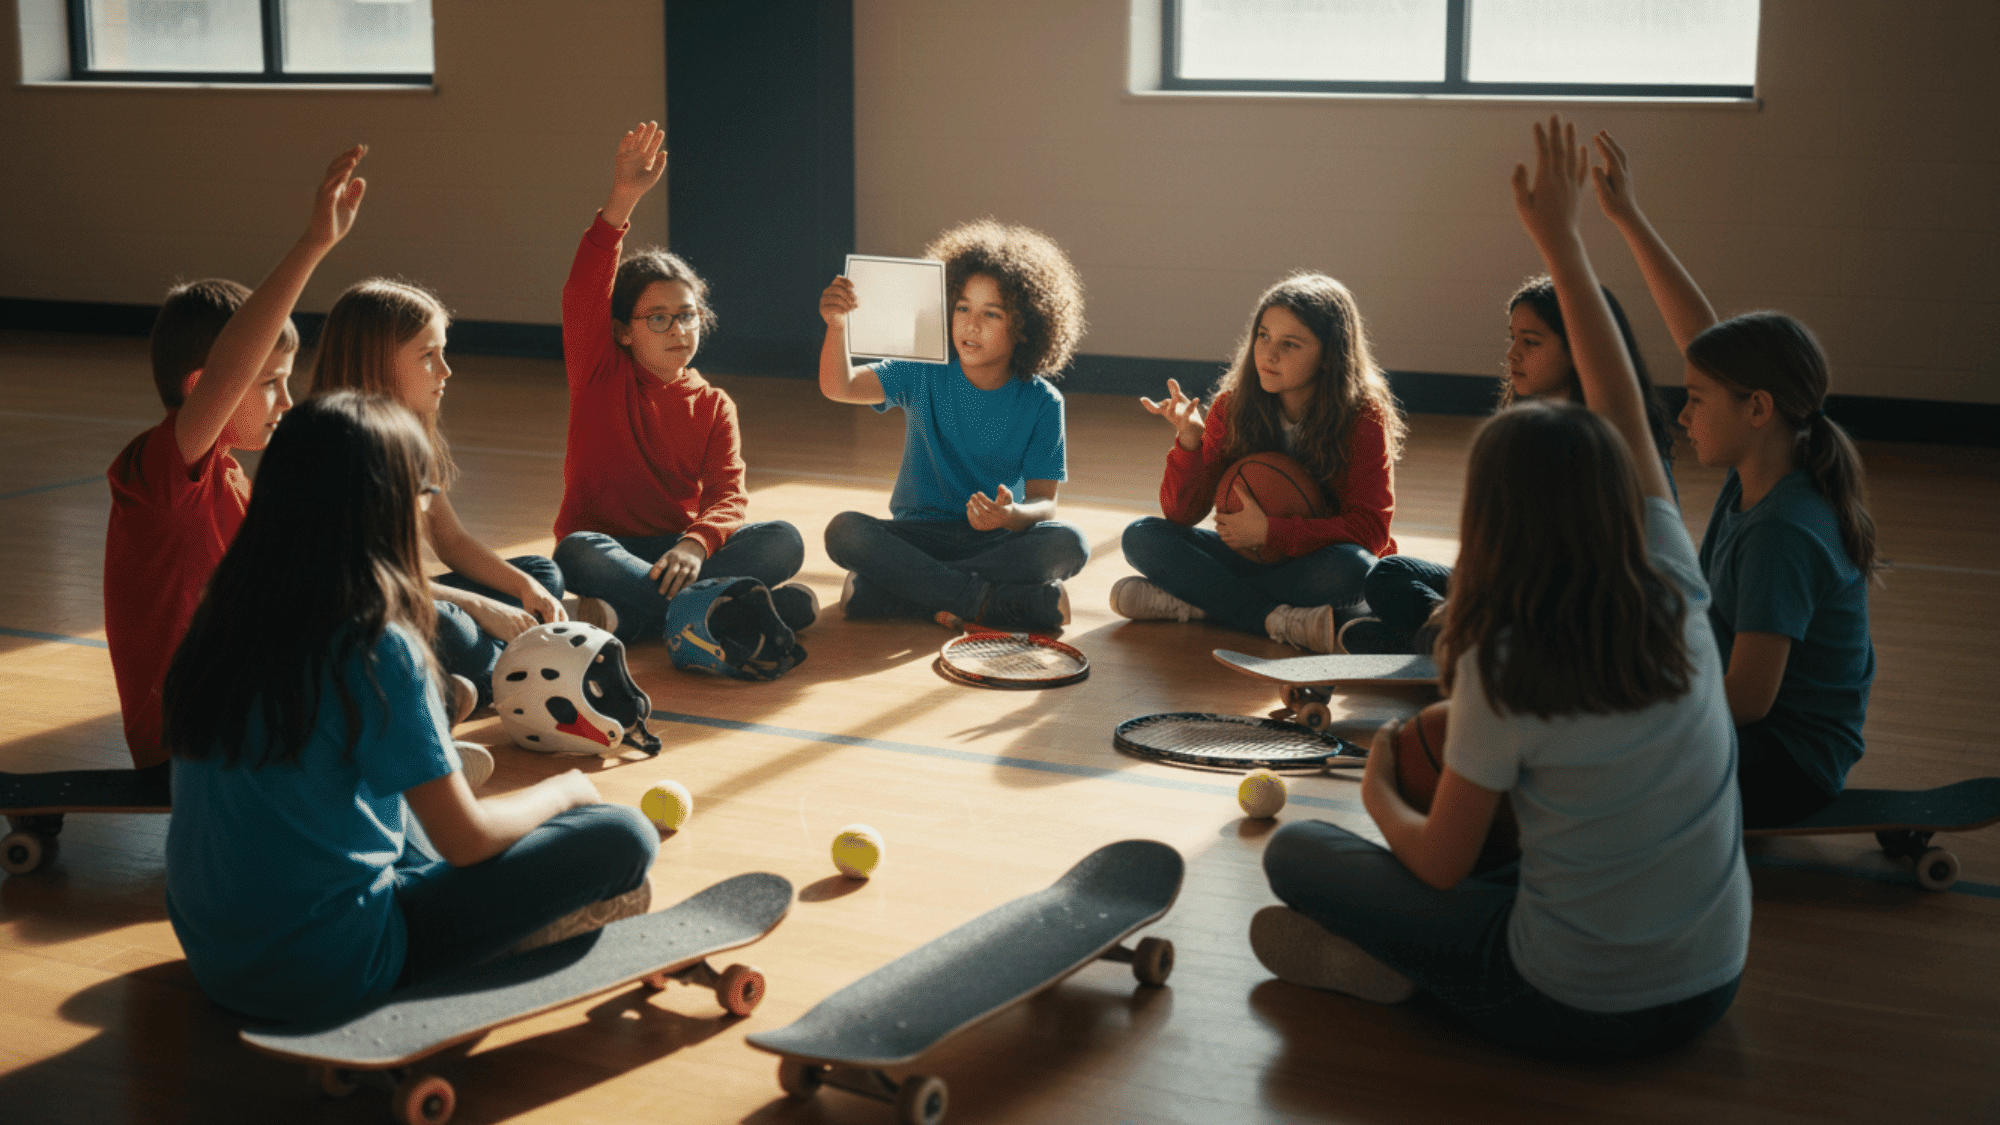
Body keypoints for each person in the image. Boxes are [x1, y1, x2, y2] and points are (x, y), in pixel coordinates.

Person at [1253, 117, 1748, 1063]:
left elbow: (1437, 860)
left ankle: (1414, 974)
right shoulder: (1672, 583)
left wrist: (1381, 780)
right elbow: (1618, 402)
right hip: (1712, 983)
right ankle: (1415, 961)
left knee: (1298, 852)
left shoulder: (1502, 663)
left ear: (1492, 519)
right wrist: (1565, 241)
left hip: (1571, 1006)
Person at [161, 391, 658, 1026]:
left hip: (217, 955)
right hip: (329, 966)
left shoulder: (223, 610)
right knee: (623, 835)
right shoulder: (375, 641)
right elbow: (467, 842)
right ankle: (441, 788)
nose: (426, 511)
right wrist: (564, 792)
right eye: (423, 494)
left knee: (390, 805)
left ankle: (428, 773)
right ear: (388, 505)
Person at [1593, 129, 1877, 828]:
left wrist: (1636, 711)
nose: (1683, 415)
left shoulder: (1783, 529)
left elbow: (1748, 699)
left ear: (1757, 408)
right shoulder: (1765, 460)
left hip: (1785, 759)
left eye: (1696, 400)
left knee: (1589, 752)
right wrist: (1627, 217)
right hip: (1754, 731)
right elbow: (1704, 339)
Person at [104, 145, 366, 774]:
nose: (287, 400)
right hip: (189, 739)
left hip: (250, 705)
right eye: (269, 382)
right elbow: (230, 367)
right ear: (204, 387)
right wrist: (313, 245)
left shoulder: (228, 475)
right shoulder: (163, 476)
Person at [551, 121, 811, 642]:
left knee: (783, 539)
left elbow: (727, 497)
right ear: (623, 331)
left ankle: (641, 615)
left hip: (680, 551)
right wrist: (624, 196)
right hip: (610, 550)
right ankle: (723, 610)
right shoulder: (600, 373)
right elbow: (584, 290)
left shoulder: (714, 405)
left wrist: (695, 544)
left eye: (688, 315)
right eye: (659, 318)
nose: (678, 330)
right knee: (576, 551)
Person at [1340, 275, 1677, 656]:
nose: (1513, 354)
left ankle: (1450, 642)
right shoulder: (1522, 428)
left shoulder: (1617, 445)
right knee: (1388, 575)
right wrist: (1462, 599)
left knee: (1377, 630)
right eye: (1513, 339)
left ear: (1579, 349)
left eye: (1530, 342)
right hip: (1511, 588)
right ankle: (1449, 635)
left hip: (1569, 603)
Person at [307, 277, 568, 715]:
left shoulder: (407, 436)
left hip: (408, 593)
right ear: (375, 363)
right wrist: (479, 605)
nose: (445, 370)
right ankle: (492, 676)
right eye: (428, 356)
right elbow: (367, 582)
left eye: (443, 352)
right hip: (360, 611)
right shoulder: (338, 449)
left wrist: (525, 588)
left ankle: (477, 678)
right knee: (456, 628)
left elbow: (452, 542)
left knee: (541, 574)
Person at [818, 219, 1090, 631]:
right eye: (962, 307)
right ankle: (986, 601)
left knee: (1068, 542)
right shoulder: (923, 369)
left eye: (991, 313)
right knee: (845, 531)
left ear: (1026, 326)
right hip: (918, 535)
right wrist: (837, 327)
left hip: (993, 540)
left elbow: (1044, 503)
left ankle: (900, 592)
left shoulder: (1043, 402)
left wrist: (1010, 514)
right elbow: (840, 386)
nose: (971, 324)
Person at [1114, 273, 1405, 653]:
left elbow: (1371, 531)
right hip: (1247, 555)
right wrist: (1191, 443)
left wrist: (1271, 532)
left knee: (1356, 570)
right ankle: (1277, 619)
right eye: (1263, 336)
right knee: (1141, 536)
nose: (1269, 354)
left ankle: (1202, 602)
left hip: (1316, 563)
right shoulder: (1233, 407)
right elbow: (1181, 514)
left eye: (1290, 344)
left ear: (1329, 356)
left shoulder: (1362, 417)